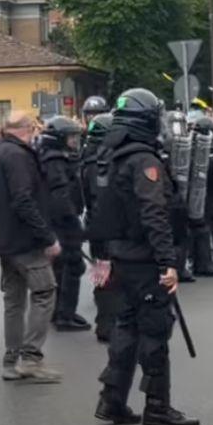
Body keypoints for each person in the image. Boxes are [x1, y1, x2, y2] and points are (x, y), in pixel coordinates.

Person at [95, 89, 198, 425]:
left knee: (126, 328)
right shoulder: (144, 161)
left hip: (123, 257)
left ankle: (112, 400)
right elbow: (154, 212)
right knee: (154, 332)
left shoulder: (112, 156)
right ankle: (157, 407)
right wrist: (168, 262)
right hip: (145, 260)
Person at [0, 111, 63, 383]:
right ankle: (30, 358)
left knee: (14, 300)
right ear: (27, 128)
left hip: (3, 239)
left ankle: (11, 361)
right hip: (24, 240)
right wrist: (47, 237)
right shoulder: (18, 155)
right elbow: (23, 200)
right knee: (44, 291)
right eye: (34, 127)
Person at [39, 116, 90, 332]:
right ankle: (65, 315)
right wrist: (73, 223)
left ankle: (60, 312)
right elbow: (60, 194)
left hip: (58, 221)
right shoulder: (55, 161)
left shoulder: (53, 157)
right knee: (72, 266)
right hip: (62, 223)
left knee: (62, 267)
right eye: (71, 137)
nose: (74, 141)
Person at [82, 112, 122, 343]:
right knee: (111, 275)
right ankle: (108, 323)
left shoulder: (87, 160)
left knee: (102, 274)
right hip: (108, 228)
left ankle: (105, 321)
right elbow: (103, 199)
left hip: (95, 227)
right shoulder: (104, 164)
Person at [187, 116, 213, 277]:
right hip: (209, 195)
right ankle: (204, 262)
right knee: (203, 226)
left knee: (197, 225)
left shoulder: (192, 150)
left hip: (198, 194)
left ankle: (196, 260)